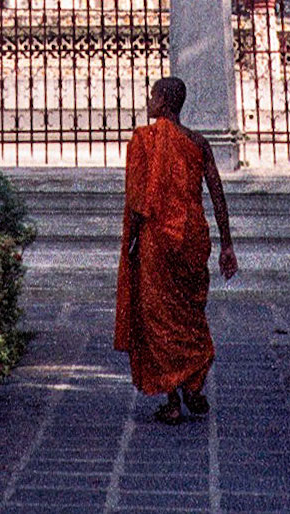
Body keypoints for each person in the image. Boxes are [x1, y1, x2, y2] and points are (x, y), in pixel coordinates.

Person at [115, 76, 238, 423]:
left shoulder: (145, 141)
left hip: (157, 239)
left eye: (153, 96)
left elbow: (139, 201)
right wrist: (227, 244)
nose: (149, 102)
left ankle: (173, 400)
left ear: (165, 102)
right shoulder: (199, 143)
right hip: (193, 237)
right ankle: (192, 381)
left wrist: (134, 241)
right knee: (188, 314)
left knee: (160, 319)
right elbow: (217, 194)